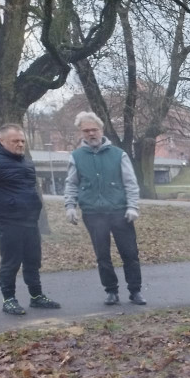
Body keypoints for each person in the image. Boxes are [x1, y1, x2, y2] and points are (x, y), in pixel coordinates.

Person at [0, 124, 61, 315]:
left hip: (30, 221)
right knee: (11, 262)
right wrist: (3, 206)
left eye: (22, 141)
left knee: (32, 260)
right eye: (15, 141)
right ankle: (9, 299)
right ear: (2, 141)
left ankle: (36, 296)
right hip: (8, 222)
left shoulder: (27, 162)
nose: (20, 144)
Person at [64, 112, 145, 306]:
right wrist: (70, 206)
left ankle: (135, 291)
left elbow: (130, 183)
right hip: (93, 213)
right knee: (102, 256)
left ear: (101, 130)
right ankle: (111, 291)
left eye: (94, 129)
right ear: (81, 133)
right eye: (86, 130)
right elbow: (71, 183)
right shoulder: (76, 157)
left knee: (130, 254)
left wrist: (133, 206)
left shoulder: (119, 154)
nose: (91, 133)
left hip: (120, 211)